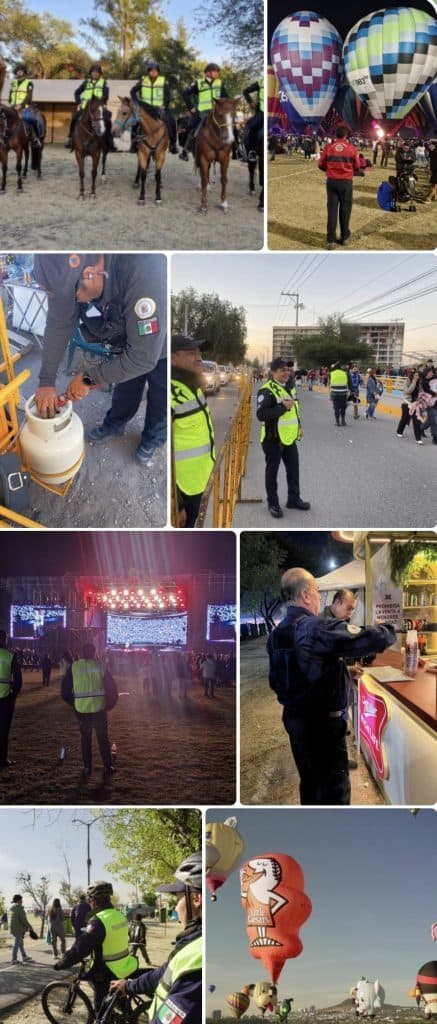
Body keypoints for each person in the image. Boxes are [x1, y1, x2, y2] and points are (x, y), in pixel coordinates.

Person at [267, 567, 397, 804]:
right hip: (322, 728)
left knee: (310, 783)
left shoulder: (275, 635)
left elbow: (282, 678)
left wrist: (342, 672)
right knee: (334, 793)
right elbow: (364, 638)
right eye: (317, 592)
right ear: (306, 595)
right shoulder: (313, 626)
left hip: (296, 721)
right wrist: (388, 629)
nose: (319, 598)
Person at [32, 253, 167, 468]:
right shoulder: (67, 276)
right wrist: (46, 381)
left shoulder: (143, 266)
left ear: (89, 274)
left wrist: (89, 378)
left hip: (157, 346)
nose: (72, 304)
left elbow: (142, 357)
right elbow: (59, 323)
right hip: (123, 343)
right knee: (126, 388)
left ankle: (153, 439)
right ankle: (115, 424)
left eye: (73, 297)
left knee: (161, 397)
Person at [109, 852, 202, 1024]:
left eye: (178, 899)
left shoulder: (198, 960)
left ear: (196, 899)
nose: (176, 908)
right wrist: (128, 986)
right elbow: (163, 973)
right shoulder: (191, 945)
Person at [54, 880, 138, 1014]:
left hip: (107, 970)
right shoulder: (119, 915)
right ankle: (128, 1015)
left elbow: (80, 949)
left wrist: (61, 963)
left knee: (100, 1010)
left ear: (92, 901)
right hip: (124, 964)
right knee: (120, 997)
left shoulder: (98, 921)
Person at [256, 357, 310, 519]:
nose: (287, 373)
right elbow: (261, 414)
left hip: (289, 437)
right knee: (272, 472)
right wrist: (282, 407)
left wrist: (299, 426)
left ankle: (293, 499)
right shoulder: (266, 390)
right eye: (282, 370)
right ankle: (273, 503)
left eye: (288, 369)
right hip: (272, 439)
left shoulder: (289, 387)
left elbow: (295, 409)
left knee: (293, 469)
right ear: (273, 372)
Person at [171, 333, 215, 528]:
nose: (199, 357)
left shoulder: (193, 386)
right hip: (182, 489)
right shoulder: (171, 393)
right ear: (173, 358)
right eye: (191, 353)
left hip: (198, 479)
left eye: (199, 353)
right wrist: (177, 503)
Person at [61, 641, 116, 780]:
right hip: (99, 708)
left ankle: (87, 767)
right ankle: (108, 766)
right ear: (94, 652)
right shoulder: (100, 666)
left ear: (82, 653)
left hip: (82, 709)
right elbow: (112, 688)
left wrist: (74, 703)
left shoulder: (74, 667)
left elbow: (65, 691)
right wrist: (109, 704)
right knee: (103, 738)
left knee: (86, 739)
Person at [318, 127, 363, 249]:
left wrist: (329, 170)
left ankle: (330, 240)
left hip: (332, 182)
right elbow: (357, 166)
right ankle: (344, 237)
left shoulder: (328, 147)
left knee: (332, 210)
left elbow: (320, 164)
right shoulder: (351, 148)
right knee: (345, 210)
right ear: (345, 136)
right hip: (346, 182)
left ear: (335, 135)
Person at [179, 63, 228, 161]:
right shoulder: (198, 83)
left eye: (217, 72)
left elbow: (225, 97)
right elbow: (185, 94)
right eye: (214, 71)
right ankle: (185, 150)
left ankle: (235, 150)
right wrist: (191, 107)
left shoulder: (220, 83)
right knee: (192, 127)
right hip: (202, 112)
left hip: (217, 112)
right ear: (207, 73)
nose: (217, 73)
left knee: (229, 126)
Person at [131, 60, 178, 154]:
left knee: (171, 120)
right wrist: (137, 103)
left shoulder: (163, 81)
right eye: (151, 70)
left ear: (158, 72)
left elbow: (168, 95)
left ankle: (173, 144)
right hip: (145, 109)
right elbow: (132, 91)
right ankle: (133, 144)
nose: (153, 72)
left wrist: (164, 105)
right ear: (148, 72)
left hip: (159, 109)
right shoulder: (143, 80)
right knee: (135, 122)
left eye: (155, 71)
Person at [65, 64, 112, 151]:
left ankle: (109, 141)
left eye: (97, 72)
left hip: (98, 107)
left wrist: (101, 103)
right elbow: (77, 92)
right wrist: (79, 102)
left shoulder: (104, 83)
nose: (95, 73)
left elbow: (106, 96)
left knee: (108, 119)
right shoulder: (86, 82)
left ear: (100, 74)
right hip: (85, 107)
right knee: (75, 118)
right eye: (93, 72)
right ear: (90, 73)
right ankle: (70, 138)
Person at [0, 629, 22, 770]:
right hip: (5, 698)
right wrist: (13, 695)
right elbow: (18, 679)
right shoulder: (10, 655)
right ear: (4, 640)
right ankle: (2, 759)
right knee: (3, 729)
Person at [8, 63, 44, 147]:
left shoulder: (29, 83)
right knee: (3, 117)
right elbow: (10, 94)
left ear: (24, 72)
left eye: (21, 71)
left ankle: (35, 138)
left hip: (24, 107)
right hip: (13, 106)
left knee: (31, 119)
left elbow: (29, 96)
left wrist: (21, 105)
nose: (19, 72)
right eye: (18, 71)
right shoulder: (13, 83)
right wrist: (11, 102)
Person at [9, 895, 34, 964]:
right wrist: (30, 926)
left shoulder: (11, 907)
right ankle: (14, 959)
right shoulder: (19, 908)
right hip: (18, 929)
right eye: (21, 900)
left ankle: (24, 956)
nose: (22, 901)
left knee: (20, 943)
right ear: (18, 900)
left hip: (13, 928)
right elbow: (23, 920)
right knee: (17, 944)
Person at [243, 80, 263, 159]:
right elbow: (245, 91)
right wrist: (251, 102)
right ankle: (252, 151)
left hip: (272, 112)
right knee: (252, 127)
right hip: (261, 112)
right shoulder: (261, 82)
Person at [329, 362, 349, 426]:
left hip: (334, 394)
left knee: (336, 408)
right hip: (343, 394)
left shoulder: (331, 373)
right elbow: (349, 383)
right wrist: (352, 391)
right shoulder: (345, 373)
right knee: (343, 407)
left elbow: (329, 383)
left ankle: (337, 422)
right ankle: (343, 421)